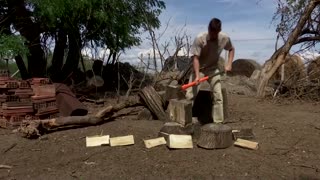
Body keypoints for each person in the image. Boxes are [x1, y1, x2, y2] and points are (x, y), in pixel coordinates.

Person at [186, 17, 235, 124]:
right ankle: (185, 120)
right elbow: (195, 58)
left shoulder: (224, 38)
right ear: (208, 29)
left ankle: (218, 123)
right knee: (190, 95)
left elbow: (231, 49)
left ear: (219, 31)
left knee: (218, 95)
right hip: (200, 69)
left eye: (215, 33)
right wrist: (198, 76)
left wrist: (229, 64)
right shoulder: (200, 39)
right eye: (211, 32)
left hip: (213, 69)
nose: (213, 35)